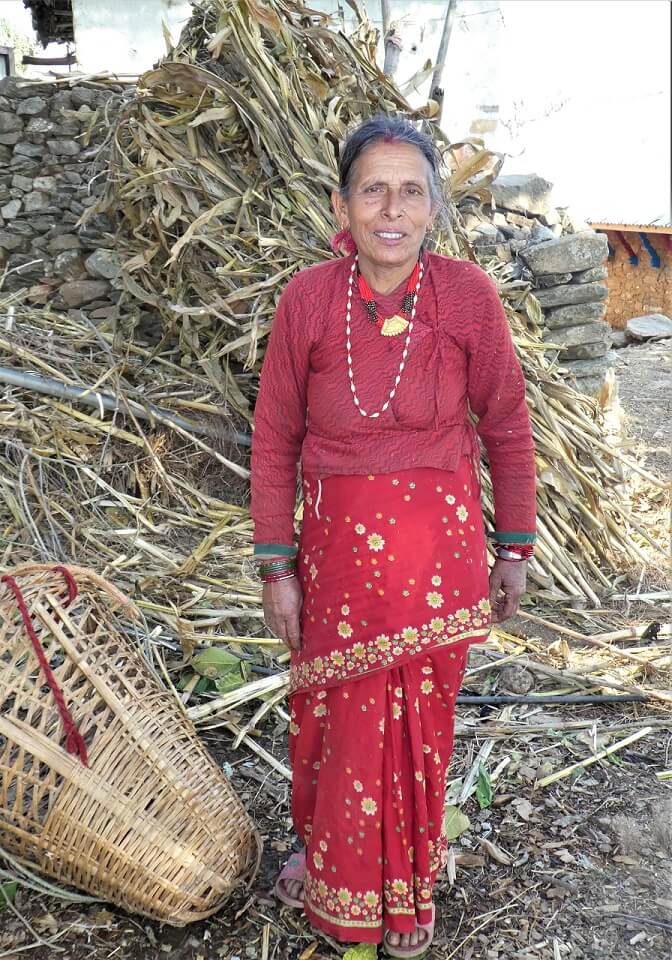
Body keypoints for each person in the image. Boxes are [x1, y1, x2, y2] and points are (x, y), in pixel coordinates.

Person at [249, 115, 536, 958]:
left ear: (435, 208)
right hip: (336, 567)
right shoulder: (307, 299)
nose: (391, 209)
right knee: (330, 719)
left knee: (417, 726)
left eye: (411, 191)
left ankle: (404, 894)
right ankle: (327, 857)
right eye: (373, 188)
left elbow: (508, 426)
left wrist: (513, 548)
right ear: (343, 202)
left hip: (435, 567)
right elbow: (274, 438)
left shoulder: (468, 298)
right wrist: (277, 565)